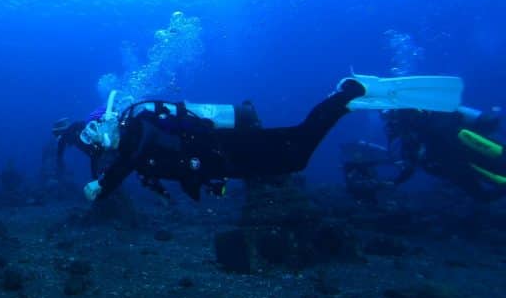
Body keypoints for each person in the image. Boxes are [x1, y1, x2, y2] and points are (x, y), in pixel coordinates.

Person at [82, 74, 462, 203]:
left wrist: (100, 187)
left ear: (109, 123)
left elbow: (126, 163)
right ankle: (346, 99)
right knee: (295, 151)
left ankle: (347, 94)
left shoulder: (137, 129)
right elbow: (134, 164)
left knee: (297, 151)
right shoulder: (138, 134)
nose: (102, 146)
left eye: (97, 136)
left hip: (230, 150)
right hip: (228, 158)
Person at [383, 106, 506, 202]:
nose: (391, 128)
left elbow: (413, 161)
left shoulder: (434, 122)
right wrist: (395, 182)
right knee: (484, 196)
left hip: (465, 158)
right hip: (459, 166)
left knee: (485, 192)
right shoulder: (414, 137)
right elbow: (411, 162)